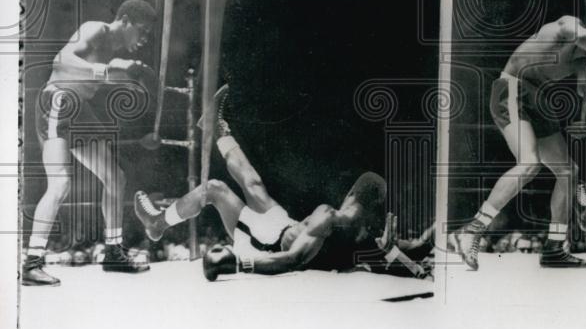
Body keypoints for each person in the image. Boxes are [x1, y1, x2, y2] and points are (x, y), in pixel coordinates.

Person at [134, 86, 430, 280]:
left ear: (354, 194)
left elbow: (291, 259)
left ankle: (158, 222)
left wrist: (237, 263)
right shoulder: (357, 233)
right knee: (253, 182)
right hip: (281, 226)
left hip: (266, 244)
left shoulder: (337, 222)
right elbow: (417, 246)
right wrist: (410, 258)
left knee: (216, 189)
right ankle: (216, 128)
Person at [449, 14, 586, 270]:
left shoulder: (584, 59)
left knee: (568, 173)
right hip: (513, 88)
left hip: (538, 99)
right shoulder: (567, 26)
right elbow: (583, 37)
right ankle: (472, 229)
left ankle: (554, 249)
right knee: (529, 163)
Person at [22, 0, 158, 285]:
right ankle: (31, 263)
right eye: (142, 31)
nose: (144, 39)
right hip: (58, 99)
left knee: (115, 177)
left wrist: (129, 72)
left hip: (79, 108)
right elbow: (61, 61)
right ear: (125, 21)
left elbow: (106, 73)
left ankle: (113, 253)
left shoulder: (115, 52)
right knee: (60, 183)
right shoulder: (97, 29)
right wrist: (107, 71)